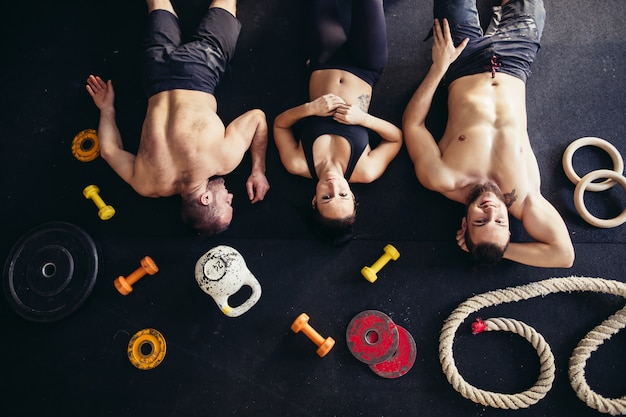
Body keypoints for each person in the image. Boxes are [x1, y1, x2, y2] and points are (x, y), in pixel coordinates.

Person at [402, 0, 575, 268]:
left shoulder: (442, 178)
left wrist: (439, 67)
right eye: (499, 221)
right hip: (516, 60)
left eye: (480, 221)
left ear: (464, 222)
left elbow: (413, 125)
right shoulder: (526, 198)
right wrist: (502, 249)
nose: (491, 211)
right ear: (508, 229)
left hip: (461, 61)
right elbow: (564, 256)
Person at [86, 0, 269, 236]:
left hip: (200, 68)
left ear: (205, 199)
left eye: (227, 202)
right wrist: (107, 108)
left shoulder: (224, 161)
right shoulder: (147, 184)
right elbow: (109, 151)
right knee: (156, 3)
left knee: (226, 4)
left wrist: (258, 170)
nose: (231, 196)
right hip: (155, 74)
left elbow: (257, 118)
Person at [273, 0, 403, 244]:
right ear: (353, 197)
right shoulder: (365, 170)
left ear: (313, 201)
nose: (333, 187)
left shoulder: (298, 163)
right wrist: (362, 119)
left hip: (323, 59)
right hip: (366, 67)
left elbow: (280, 125)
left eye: (326, 198)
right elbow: (395, 137)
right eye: (343, 195)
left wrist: (311, 108)